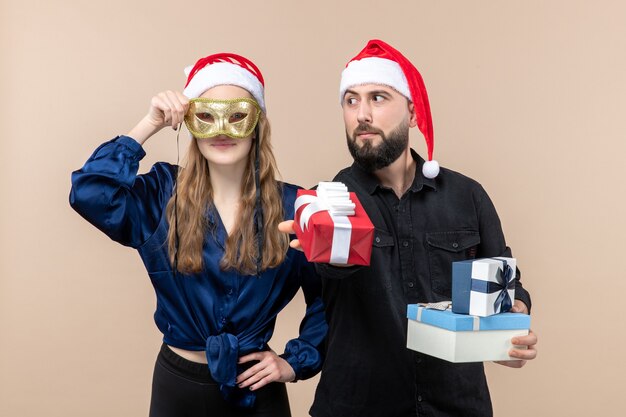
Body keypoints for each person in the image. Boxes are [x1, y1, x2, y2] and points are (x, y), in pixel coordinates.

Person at [280, 39, 538, 417]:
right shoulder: (326, 203)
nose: (361, 114)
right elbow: (334, 274)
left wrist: (510, 331)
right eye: (351, 101)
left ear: (413, 113)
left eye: (378, 98)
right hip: (357, 407)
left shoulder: (467, 196)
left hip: (457, 407)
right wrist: (328, 244)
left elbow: (507, 283)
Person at [70, 53, 327, 417]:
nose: (221, 129)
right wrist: (149, 124)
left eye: (236, 115)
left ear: (257, 124)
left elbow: (329, 296)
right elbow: (90, 193)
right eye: (207, 115)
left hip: (257, 391)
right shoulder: (161, 195)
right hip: (178, 388)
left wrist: (295, 361)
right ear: (190, 121)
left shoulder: (296, 206)